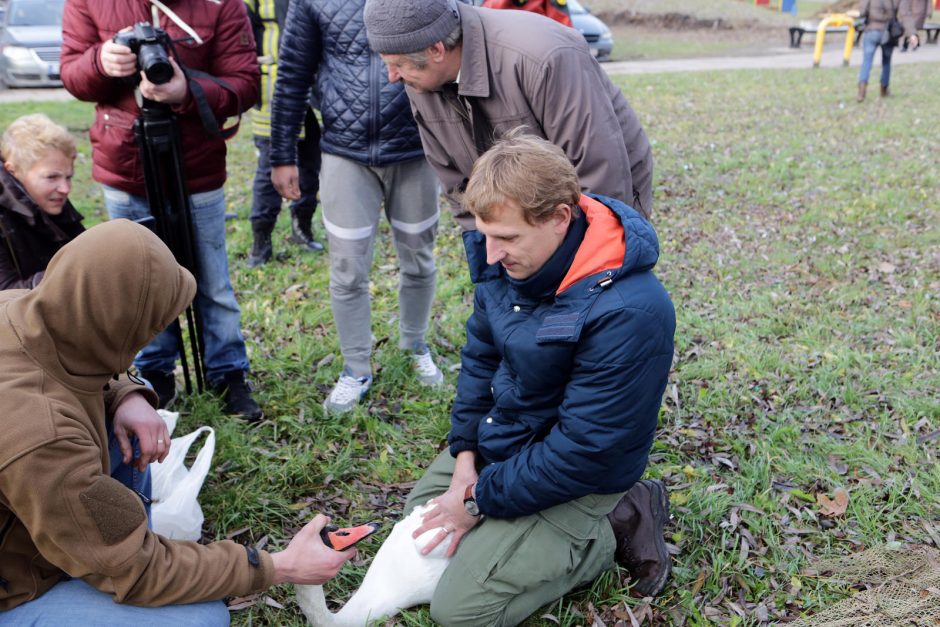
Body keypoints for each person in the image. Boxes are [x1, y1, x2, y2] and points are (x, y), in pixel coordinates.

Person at [0, 220, 355, 623]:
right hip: (11, 592)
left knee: (130, 414)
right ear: (119, 329)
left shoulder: (19, 306)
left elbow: (93, 357)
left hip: (29, 517)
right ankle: (103, 556)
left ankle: (109, 546)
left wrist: (127, 392)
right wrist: (279, 566)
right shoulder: (43, 436)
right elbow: (141, 572)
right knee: (200, 618)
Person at [401, 133, 675, 625]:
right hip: (513, 436)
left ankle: (606, 534)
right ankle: (513, 538)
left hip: (582, 475)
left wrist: (479, 499)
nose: (490, 255)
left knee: (459, 611)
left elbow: (586, 450)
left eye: (507, 238)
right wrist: (465, 458)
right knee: (421, 518)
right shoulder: (509, 263)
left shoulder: (631, 310)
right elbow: (479, 363)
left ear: (558, 219)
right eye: (485, 234)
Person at [60, 0, 264, 419]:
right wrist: (100, 62)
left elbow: (245, 84)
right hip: (125, 165)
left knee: (212, 280)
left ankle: (229, 373)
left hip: (198, 165)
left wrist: (187, 91)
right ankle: (154, 372)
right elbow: (73, 77)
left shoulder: (220, 3)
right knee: (136, 281)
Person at [271, 0, 444, 413]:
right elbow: (293, 73)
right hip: (344, 153)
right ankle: (355, 367)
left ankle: (414, 344)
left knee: (419, 258)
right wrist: (282, 154)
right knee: (347, 268)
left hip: (415, 149)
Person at [362, 0, 654, 229]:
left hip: (599, 198)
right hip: (521, 213)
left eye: (398, 65)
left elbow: (601, 173)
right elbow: (457, 183)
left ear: (436, 49)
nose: (391, 76)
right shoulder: (421, 77)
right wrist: (487, 255)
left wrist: (578, 258)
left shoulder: (543, 56)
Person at [244, 0, 324, 268]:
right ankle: (261, 240)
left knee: (310, 166)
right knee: (269, 169)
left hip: (314, 88)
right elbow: (242, 32)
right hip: (272, 90)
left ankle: (302, 228)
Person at [0, 113, 84, 290]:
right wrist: (78, 270)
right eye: (52, 177)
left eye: (68, 177)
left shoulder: (49, 198)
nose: (65, 189)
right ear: (13, 171)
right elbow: (6, 294)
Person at [857, 0, 903, 101]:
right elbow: (898, 11)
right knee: (886, 62)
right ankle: (884, 89)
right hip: (887, 31)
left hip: (871, 30)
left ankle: (862, 90)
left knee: (866, 61)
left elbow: (862, 11)